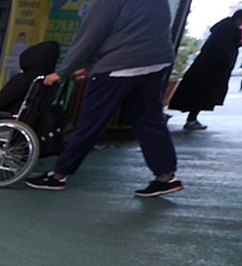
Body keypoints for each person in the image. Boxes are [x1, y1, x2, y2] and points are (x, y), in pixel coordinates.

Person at [25, 0, 182, 197]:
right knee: (149, 121)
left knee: (90, 125)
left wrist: (62, 72)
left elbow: (90, 35)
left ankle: (58, 175)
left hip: (117, 68)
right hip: (154, 65)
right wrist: (91, 66)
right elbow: (139, 30)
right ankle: (166, 176)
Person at [169, 8, 242, 128]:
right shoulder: (231, 30)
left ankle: (192, 118)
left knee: (197, 91)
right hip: (215, 68)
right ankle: (192, 119)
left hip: (205, 65)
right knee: (203, 93)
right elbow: (225, 49)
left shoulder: (222, 27)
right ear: (241, 19)